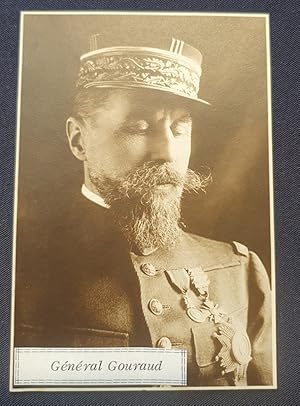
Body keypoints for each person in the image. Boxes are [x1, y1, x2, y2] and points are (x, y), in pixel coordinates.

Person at [14, 36, 272, 386]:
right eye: (139, 127)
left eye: (180, 129)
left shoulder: (238, 269)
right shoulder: (19, 265)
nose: (167, 151)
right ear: (78, 140)